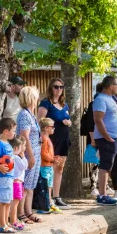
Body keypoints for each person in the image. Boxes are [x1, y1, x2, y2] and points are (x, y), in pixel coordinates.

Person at [37, 78, 71, 208]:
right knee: (48, 168)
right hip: (51, 140)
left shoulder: (64, 104)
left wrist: (68, 122)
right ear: (51, 88)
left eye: (61, 87)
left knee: (60, 168)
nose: (59, 90)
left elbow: (68, 119)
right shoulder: (46, 103)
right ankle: (47, 196)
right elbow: (40, 121)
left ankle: (57, 196)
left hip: (64, 138)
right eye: (56, 87)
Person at [93, 76, 117, 206]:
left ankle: (104, 193)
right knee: (105, 166)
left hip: (113, 137)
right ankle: (102, 195)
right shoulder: (101, 99)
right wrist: (107, 137)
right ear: (111, 86)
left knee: (108, 166)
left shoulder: (111, 99)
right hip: (106, 139)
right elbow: (98, 119)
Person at [16, 86, 42, 224]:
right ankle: (20, 213)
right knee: (24, 184)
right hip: (28, 154)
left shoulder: (31, 114)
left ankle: (29, 211)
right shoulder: (24, 115)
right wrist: (30, 156)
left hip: (36, 153)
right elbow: (24, 136)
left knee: (31, 185)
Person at [0, 118, 17, 233]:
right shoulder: (0, 144)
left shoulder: (8, 144)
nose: (14, 133)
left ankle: (6, 223)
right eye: (13, 130)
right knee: (3, 201)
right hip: (2, 176)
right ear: (6, 131)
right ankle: (2, 225)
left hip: (9, 176)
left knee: (7, 201)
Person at [83, 83, 111, 199]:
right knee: (95, 162)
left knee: (103, 162)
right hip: (95, 137)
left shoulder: (105, 103)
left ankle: (105, 185)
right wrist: (93, 139)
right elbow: (90, 124)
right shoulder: (93, 105)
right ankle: (93, 186)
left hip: (103, 136)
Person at [39, 118, 61, 213]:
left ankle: (48, 203)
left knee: (49, 185)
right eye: (52, 127)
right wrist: (52, 159)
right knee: (46, 186)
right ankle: (44, 205)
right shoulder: (44, 139)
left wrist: (53, 157)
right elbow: (43, 154)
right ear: (46, 128)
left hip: (48, 166)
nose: (54, 129)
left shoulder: (47, 139)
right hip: (45, 166)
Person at [9, 136, 28, 231]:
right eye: (22, 147)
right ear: (16, 148)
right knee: (15, 203)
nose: (23, 149)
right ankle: (13, 221)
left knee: (13, 203)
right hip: (17, 183)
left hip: (14, 182)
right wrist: (23, 156)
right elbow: (24, 166)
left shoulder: (12, 157)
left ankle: (13, 220)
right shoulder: (16, 158)